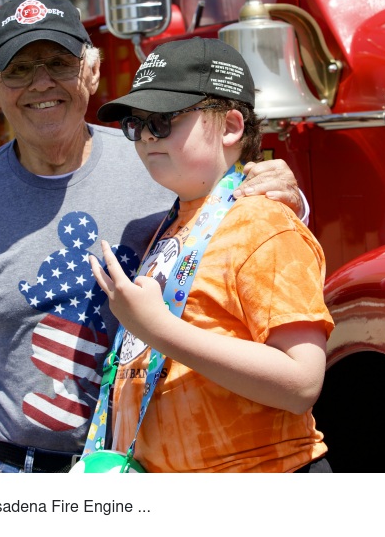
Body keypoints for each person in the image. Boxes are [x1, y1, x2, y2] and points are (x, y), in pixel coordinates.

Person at [0, 0, 307, 473]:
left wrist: (290, 200)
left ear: (91, 72)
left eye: (59, 63)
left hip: (145, 469)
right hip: (10, 472)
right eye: (19, 70)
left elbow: (241, 233)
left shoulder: (158, 159)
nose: (42, 83)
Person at [88, 36, 334, 473]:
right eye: (135, 123)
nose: (146, 135)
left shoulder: (263, 223)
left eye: (163, 119)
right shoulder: (177, 221)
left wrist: (157, 328)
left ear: (231, 127)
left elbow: (301, 382)